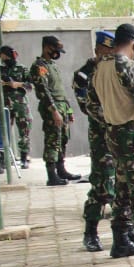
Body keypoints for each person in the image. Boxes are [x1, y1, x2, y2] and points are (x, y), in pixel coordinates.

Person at [88, 23, 134, 259]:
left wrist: (111, 118)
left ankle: (121, 240)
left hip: (113, 133)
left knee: (122, 187)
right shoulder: (126, 64)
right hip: (132, 133)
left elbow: (91, 104)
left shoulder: (99, 67)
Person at [73, 30, 117, 252]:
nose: (110, 54)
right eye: (107, 50)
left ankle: (123, 233)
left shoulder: (117, 69)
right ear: (98, 49)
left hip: (121, 136)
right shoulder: (84, 74)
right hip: (101, 136)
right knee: (101, 185)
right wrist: (114, 116)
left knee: (123, 186)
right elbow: (86, 106)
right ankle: (90, 232)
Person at [30, 35, 82, 186]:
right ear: (47, 47)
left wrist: (69, 110)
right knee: (53, 140)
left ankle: (61, 170)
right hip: (52, 108)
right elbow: (43, 91)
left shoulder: (52, 65)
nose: (57, 53)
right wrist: (53, 110)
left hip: (62, 106)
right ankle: (51, 174)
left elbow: (61, 90)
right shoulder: (39, 66)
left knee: (62, 139)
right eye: (56, 49)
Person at [0, 45, 32, 169]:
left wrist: (17, 84)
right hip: (4, 104)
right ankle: (3, 159)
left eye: (7, 56)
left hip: (20, 104)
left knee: (24, 131)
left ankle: (24, 158)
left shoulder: (22, 69)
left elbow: (31, 85)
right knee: (2, 131)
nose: (5, 58)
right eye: (3, 56)